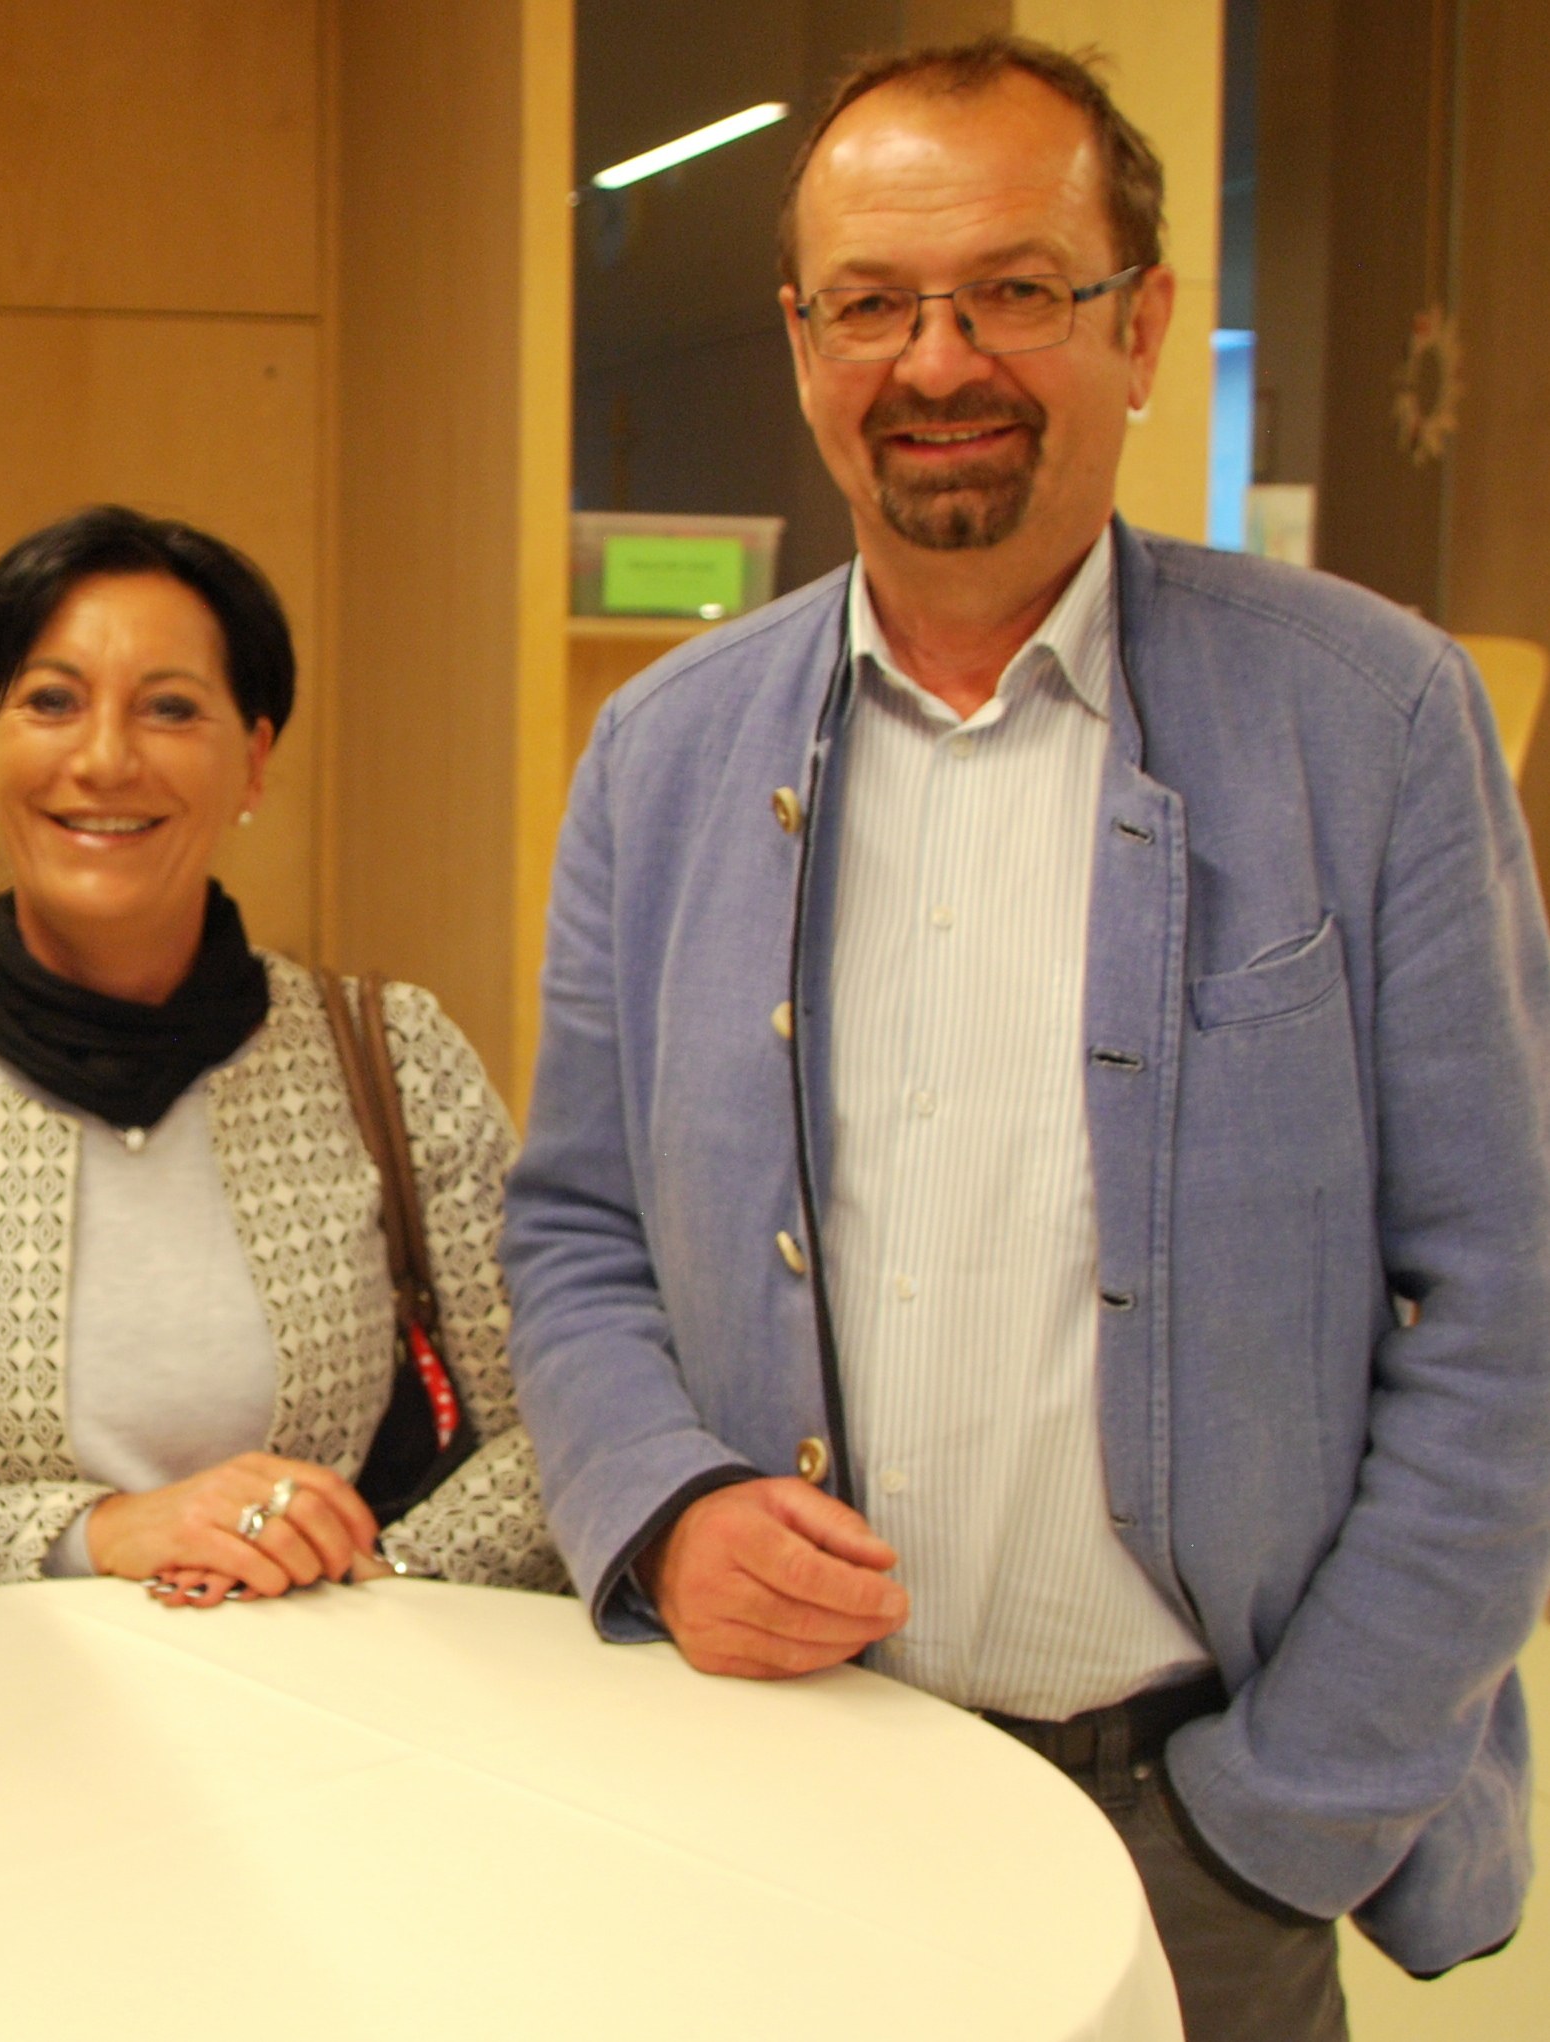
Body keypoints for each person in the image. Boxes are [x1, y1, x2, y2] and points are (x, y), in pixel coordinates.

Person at [503, 37, 1550, 2039]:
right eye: (873, 304)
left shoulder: (1374, 730)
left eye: (1012, 290)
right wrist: (665, 1504)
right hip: (778, 1779)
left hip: (1201, 1831)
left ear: (1141, 326)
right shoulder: (663, 757)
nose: (938, 361)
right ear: (804, 342)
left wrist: (1291, 1806)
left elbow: (1508, 1302)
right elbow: (573, 1228)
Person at [0, 506, 566, 1601]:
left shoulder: (394, 1058)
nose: (105, 758)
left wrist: (364, 1577)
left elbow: (559, 1421)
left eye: (170, 708)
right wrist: (98, 1534)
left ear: (253, 762)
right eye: (52, 701)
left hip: (350, 1680)